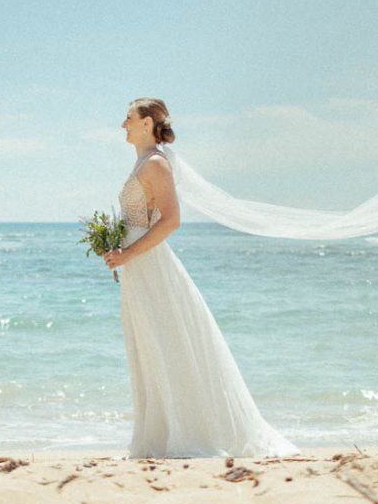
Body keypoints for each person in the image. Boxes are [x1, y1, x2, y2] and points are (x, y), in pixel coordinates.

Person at [102, 98, 298, 458]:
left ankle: (187, 434)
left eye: (128, 118)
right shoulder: (143, 163)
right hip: (137, 266)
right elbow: (139, 217)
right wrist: (117, 246)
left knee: (166, 344)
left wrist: (128, 253)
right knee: (149, 347)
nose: (122, 125)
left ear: (147, 123)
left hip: (150, 266)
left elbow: (171, 220)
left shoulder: (156, 164)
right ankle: (158, 435)